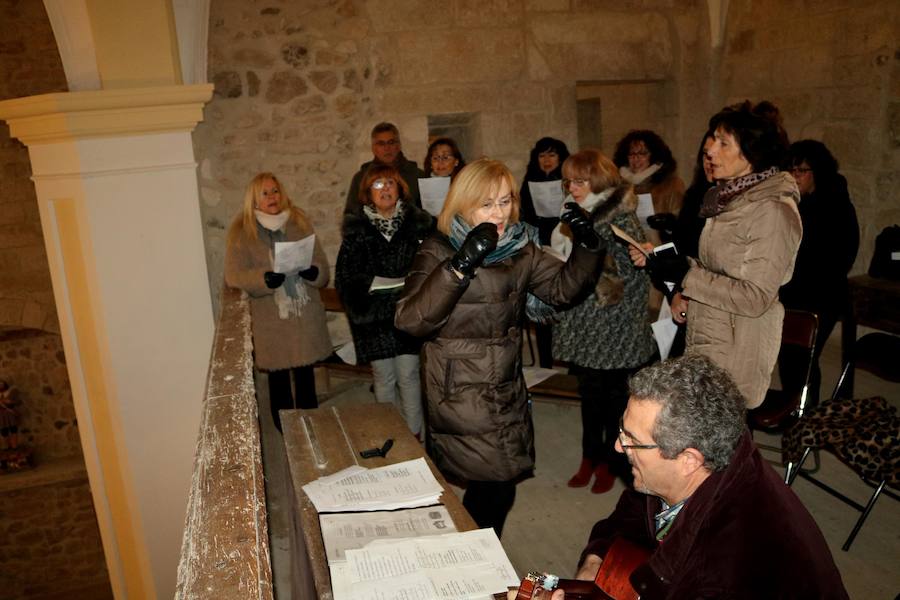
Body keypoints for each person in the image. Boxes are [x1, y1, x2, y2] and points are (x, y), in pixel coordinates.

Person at [394, 158, 602, 536]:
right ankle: (474, 563)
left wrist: (588, 247)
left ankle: (473, 559)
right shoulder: (438, 249)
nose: (499, 213)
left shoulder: (518, 248)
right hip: (459, 390)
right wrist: (461, 265)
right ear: (463, 203)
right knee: (496, 485)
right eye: (487, 203)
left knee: (495, 485)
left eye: (505, 201)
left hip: (504, 384)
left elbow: (562, 289)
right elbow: (410, 321)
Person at [570, 355, 848, 599]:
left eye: (631, 439)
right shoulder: (712, 454)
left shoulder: (722, 571)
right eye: (622, 429)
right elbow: (631, 514)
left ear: (688, 460)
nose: (618, 447)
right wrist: (596, 558)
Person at [630, 101, 802, 408]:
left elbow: (755, 296)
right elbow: (718, 266)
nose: (710, 150)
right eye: (713, 139)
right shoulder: (729, 199)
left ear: (752, 153)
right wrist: (685, 289)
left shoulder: (772, 211)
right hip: (708, 335)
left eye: (723, 143)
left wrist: (687, 275)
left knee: (722, 446)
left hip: (736, 347)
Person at [551, 149, 654, 494]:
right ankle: (588, 456)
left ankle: (610, 462)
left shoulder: (621, 215)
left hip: (615, 322)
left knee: (612, 397)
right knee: (589, 392)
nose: (572, 187)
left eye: (579, 180)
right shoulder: (579, 211)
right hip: (587, 318)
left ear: (598, 180)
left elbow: (635, 273)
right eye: (569, 180)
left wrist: (602, 255)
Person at [225, 172, 332, 432]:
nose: (272, 197)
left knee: (307, 380)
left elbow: (322, 265)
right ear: (254, 200)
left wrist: (313, 272)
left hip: (303, 315)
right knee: (279, 382)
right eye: (265, 193)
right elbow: (234, 275)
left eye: (275, 191)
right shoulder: (243, 231)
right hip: (272, 320)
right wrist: (263, 279)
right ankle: (287, 437)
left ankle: (310, 433)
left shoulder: (299, 222)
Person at [336, 164, 435, 438]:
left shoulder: (419, 226)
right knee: (384, 378)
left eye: (390, 183)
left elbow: (431, 266)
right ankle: (391, 436)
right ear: (368, 193)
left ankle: (415, 438)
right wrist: (366, 298)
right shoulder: (356, 232)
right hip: (374, 317)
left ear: (400, 188)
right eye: (378, 185)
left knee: (409, 375)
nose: (385, 189)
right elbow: (345, 277)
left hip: (407, 314)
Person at [779, 140, 859, 406]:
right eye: (790, 170)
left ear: (818, 172)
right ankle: (794, 410)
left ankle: (807, 414)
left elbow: (844, 254)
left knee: (805, 359)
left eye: (801, 171)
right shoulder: (791, 203)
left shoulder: (836, 205)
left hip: (821, 296)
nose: (794, 177)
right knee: (788, 357)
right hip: (790, 294)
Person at [518, 138, 571, 369]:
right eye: (542, 155)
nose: (547, 160)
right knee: (542, 303)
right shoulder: (530, 180)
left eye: (552, 155)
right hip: (541, 246)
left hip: (565, 243)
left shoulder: (569, 181)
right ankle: (546, 362)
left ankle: (570, 359)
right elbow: (523, 215)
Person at [668, 132, 715, 357]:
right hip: (688, 293)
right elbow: (680, 249)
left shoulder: (743, 204)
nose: (710, 160)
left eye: (717, 151)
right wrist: (676, 293)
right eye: (705, 154)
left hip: (718, 303)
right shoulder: (695, 195)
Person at [612, 130, 684, 247]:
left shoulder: (671, 184)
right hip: (625, 254)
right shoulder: (617, 186)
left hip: (659, 254)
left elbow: (683, 222)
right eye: (631, 154)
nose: (636, 159)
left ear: (654, 155)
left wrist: (668, 223)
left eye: (643, 153)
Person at [343, 122, 425, 217]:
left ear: (398, 145)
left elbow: (428, 214)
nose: (387, 148)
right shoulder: (361, 178)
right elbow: (351, 216)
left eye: (391, 142)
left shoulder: (417, 175)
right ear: (374, 148)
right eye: (381, 144)